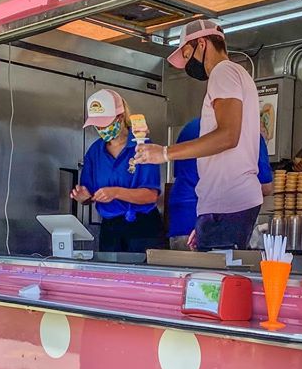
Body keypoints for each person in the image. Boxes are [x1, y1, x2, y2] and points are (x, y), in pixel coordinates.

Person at [135, 18, 262, 250]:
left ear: (201, 44)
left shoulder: (223, 72)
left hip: (228, 203)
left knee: (213, 282)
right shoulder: (237, 74)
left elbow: (227, 136)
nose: (186, 64)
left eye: (186, 54)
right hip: (225, 205)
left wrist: (164, 153)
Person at [71, 88, 165, 252]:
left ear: (120, 117)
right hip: (110, 228)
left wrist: (116, 192)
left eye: (105, 123)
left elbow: (151, 195)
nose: (101, 129)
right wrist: (83, 197)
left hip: (143, 228)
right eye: (97, 125)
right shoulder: (95, 151)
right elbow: (90, 195)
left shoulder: (141, 146)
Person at [168, 117, 274, 249]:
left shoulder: (190, 127)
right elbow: (265, 187)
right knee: (219, 268)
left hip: (182, 216)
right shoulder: (249, 132)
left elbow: (179, 171)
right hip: (219, 224)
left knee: (179, 268)